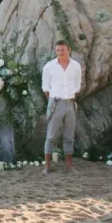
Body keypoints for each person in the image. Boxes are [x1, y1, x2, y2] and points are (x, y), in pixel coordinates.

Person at [41, 40, 82, 175]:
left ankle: (69, 166)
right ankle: (47, 166)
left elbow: (77, 85)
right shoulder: (49, 66)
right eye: (57, 50)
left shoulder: (76, 66)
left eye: (62, 50)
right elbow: (46, 87)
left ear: (68, 50)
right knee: (51, 135)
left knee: (69, 135)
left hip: (70, 102)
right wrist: (54, 100)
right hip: (55, 102)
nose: (60, 53)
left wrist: (69, 97)